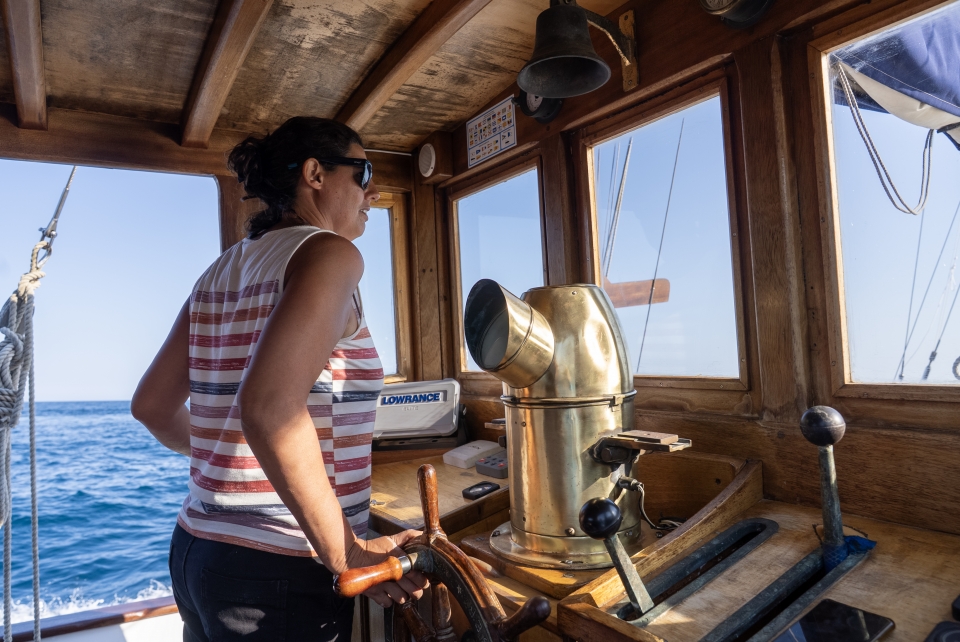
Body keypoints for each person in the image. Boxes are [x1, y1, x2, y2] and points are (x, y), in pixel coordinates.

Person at [131, 117, 428, 641]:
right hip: (279, 567)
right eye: (363, 172)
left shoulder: (221, 270)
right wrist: (347, 553)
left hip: (198, 549)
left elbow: (152, 406)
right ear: (315, 173)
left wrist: (234, 463)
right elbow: (269, 410)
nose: (373, 190)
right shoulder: (330, 254)